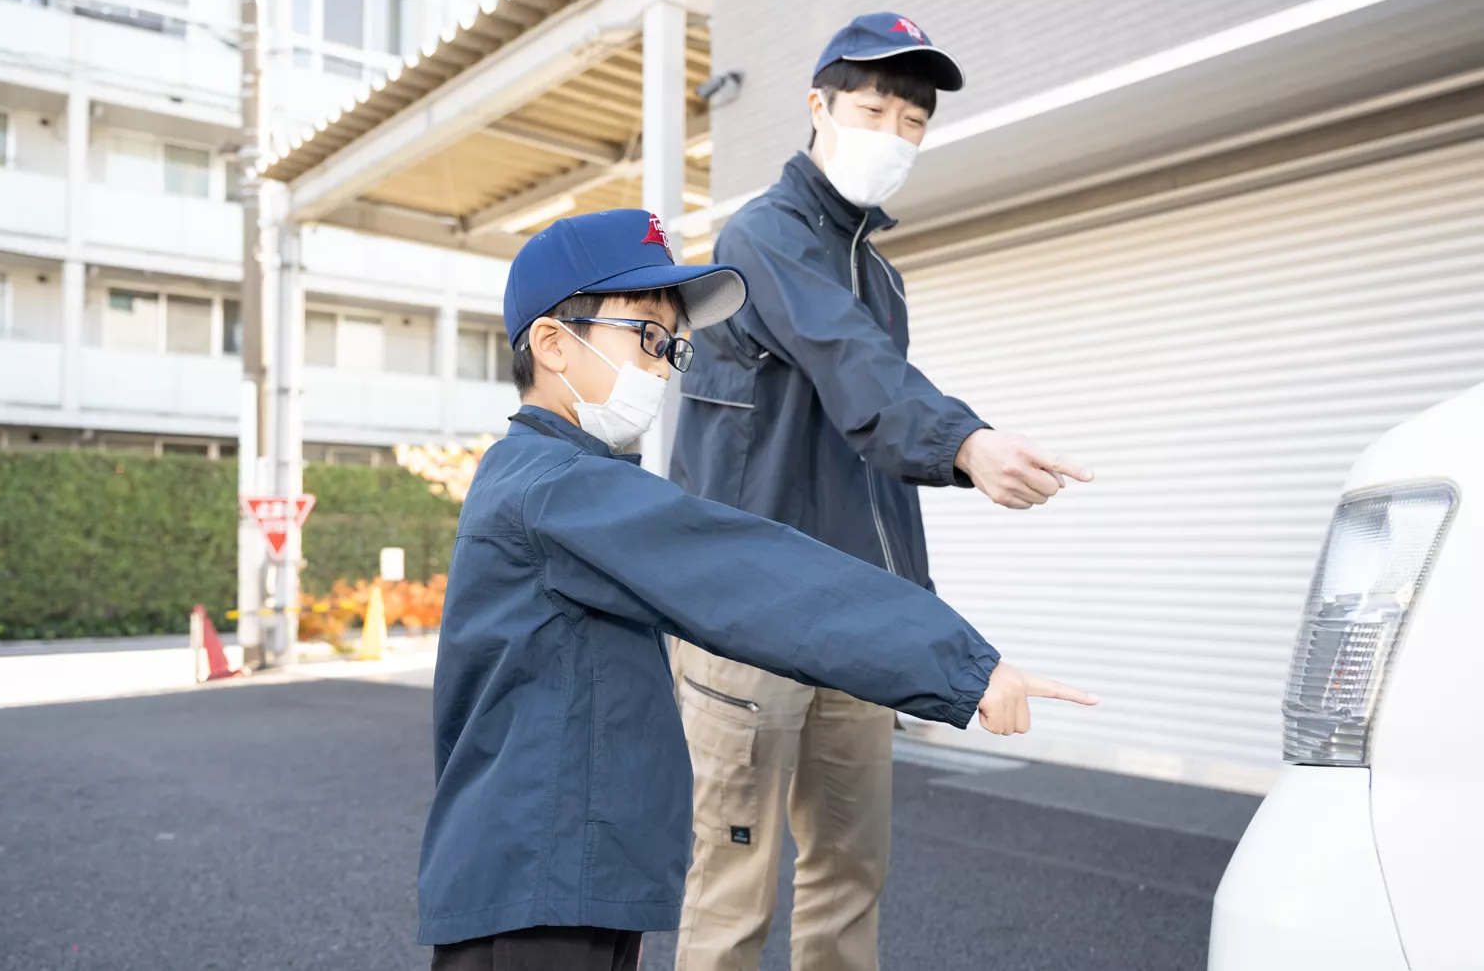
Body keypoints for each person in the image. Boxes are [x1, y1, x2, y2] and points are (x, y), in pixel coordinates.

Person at [417, 208, 1097, 971]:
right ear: (551, 342)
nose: (660, 364)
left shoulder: (557, 481)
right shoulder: (558, 488)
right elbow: (753, 575)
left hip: (555, 874)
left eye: (671, 345)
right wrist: (961, 666)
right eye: (645, 334)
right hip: (541, 884)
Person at [668, 12, 1096, 971]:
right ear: (816, 105)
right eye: (872, 110)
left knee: (850, 871)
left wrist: (916, 620)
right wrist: (969, 444)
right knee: (733, 883)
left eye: (914, 122)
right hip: (745, 613)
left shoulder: (881, 273)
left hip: (853, 615)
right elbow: (858, 373)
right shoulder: (762, 235)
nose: (893, 135)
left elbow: (867, 455)